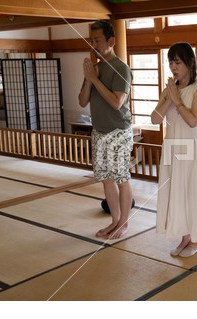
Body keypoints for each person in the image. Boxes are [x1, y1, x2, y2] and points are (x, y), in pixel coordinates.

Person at [151, 42, 197, 257]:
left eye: (177, 62)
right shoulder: (169, 90)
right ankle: (184, 238)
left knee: (192, 193)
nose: (173, 66)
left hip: (193, 148)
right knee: (177, 193)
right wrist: (168, 98)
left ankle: (195, 241)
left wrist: (177, 101)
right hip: (173, 147)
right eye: (170, 62)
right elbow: (154, 119)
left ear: (190, 62)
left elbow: (192, 121)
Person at [78, 20, 134, 240]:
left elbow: (116, 103)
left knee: (120, 177)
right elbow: (82, 101)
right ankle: (114, 221)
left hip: (118, 130)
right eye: (92, 41)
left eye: (98, 41)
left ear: (111, 41)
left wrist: (94, 78)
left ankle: (124, 223)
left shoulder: (121, 68)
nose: (94, 45)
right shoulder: (94, 69)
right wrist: (90, 79)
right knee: (105, 178)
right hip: (98, 131)